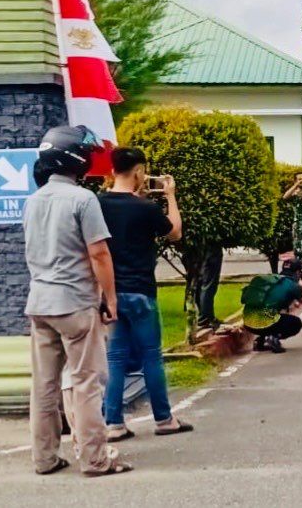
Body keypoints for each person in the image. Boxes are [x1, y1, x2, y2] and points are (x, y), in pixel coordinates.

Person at [22, 125, 131, 477]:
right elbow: (99, 253)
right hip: (74, 303)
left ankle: (44, 458)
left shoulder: (33, 200)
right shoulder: (83, 200)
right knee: (85, 381)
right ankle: (96, 460)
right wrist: (109, 298)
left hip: (39, 303)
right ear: (77, 160)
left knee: (44, 385)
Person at [97, 147, 193, 442]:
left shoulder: (98, 204)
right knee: (151, 357)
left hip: (111, 291)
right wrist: (171, 195)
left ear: (113, 170)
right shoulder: (145, 208)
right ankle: (164, 419)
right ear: (139, 171)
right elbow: (174, 232)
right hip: (141, 291)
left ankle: (112, 422)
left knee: (115, 359)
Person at [242, 256, 302, 352]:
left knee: (269, 311)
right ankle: (274, 337)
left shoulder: (273, 279)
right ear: (297, 272)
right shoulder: (292, 286)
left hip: (248, 322)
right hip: (265, 322)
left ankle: (260, 342)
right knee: (295, 323)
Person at [281, 172, 302, 270]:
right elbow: (285, 197)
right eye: (299, 179)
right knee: (299, 250)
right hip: (299, 226)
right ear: (295, 181)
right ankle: (298, 271)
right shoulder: (295, 194)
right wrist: (296, 185)